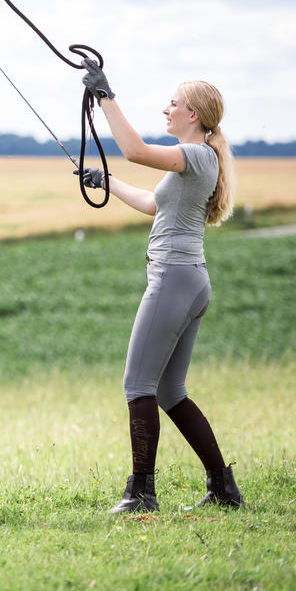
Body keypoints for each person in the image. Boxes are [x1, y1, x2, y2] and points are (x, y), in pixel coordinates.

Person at [77, 59, 246, 514]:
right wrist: (107, 183)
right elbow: (155, 204)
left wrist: (105, 95)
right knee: (170, 392)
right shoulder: (195, 162)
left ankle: (142, 494)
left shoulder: (195, 156)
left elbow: (132, 149)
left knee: (138, 384)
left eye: (173, 103)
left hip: (174, 279)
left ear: (193, 114)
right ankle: (223, 487)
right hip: (188, 280)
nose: (166, 109)